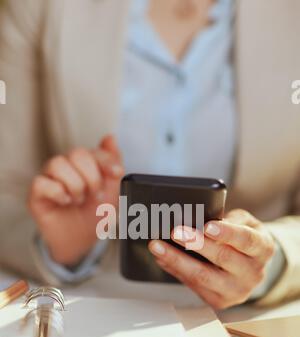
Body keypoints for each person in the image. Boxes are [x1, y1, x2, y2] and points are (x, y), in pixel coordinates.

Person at [0, 0, 299, 309]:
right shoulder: (41, 7)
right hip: (82, 309)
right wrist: (59, 247)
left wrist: (270, 260)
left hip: (250, 324)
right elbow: (5, 191)